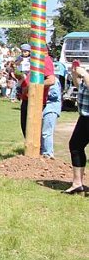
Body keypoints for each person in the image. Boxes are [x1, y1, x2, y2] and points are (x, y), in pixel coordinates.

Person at [18, 46, 56, 138]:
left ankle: (35, 151)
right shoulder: (38, 61)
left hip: (34, 101)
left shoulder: (45, 60)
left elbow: (51, 80)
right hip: (29, 99)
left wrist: (31, 87)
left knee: (31, 130)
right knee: (26, 128)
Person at [63, 60, 89, 194]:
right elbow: (81, 88)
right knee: (75, 146)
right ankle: (77, 183)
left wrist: (84, 74)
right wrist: (74, 75)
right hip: (84, 117)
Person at [40, 77, 61, 159]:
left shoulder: (53, 80)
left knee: (47, 132)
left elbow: (54, 94)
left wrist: (41, 90)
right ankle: (43, 151)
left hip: (51, 108)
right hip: (47, 108)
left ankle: (48, 153)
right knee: (43, 131)